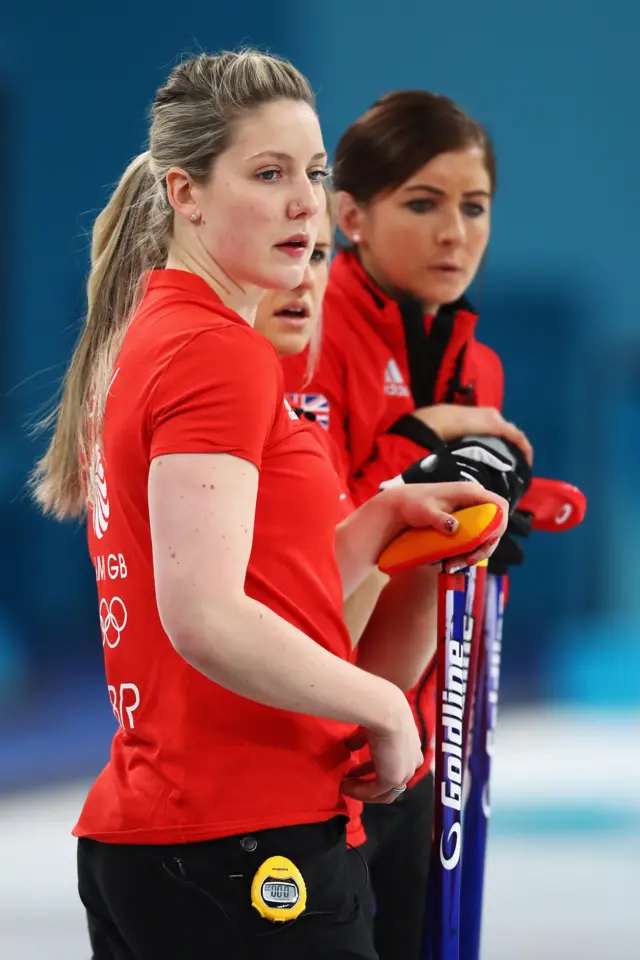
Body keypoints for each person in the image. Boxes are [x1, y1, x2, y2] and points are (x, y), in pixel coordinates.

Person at [31, 54, 507, 960]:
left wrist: (381, 521)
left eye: (315, 174)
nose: (304, 202)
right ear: (186, 193)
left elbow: (250, 590)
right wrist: (382, 706)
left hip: (177, 842)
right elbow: (204, 616)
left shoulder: (160, 336)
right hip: (248, 851)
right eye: (269, 174)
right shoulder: (219, 353)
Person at [282, 89, 533, 960]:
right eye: (421, 204)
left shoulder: (479, 363)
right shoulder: (307, 330)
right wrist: (427, 443)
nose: (453, 232)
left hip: (429, 735)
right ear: (349, 214)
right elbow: (310, 540)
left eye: (474, 207)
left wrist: (500, 511)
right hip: (322, 732)